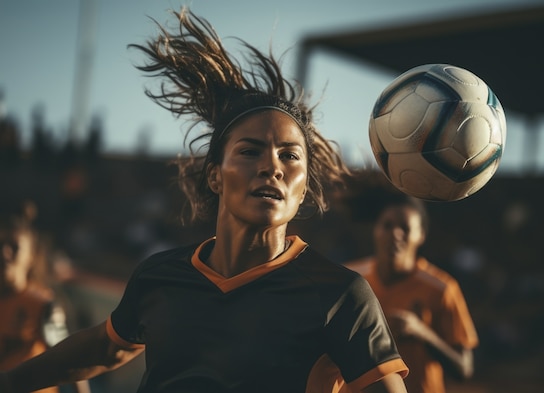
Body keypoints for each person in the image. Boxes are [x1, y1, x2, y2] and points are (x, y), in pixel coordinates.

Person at [0, 8, 409, 393]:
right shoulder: (159, 276)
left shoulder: (342, 295)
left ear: (302, 188)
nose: (273, 167)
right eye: (250, 151)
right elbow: (105, 347)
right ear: (214, 175)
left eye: (290, 155)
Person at [342, 173, 478, 393]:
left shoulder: (442, 288)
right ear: (375, 230)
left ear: (421, 235)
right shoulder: (349, 280)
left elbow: (464, 369)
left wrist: (421, 332)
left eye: (405, 228)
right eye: (387, 225)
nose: (395, 234)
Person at [0, 201, 90, 393]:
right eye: (1, 245)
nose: (4, 253)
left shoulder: (42, 305)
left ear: (30, 256)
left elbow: (69, 361)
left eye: (14, 247)